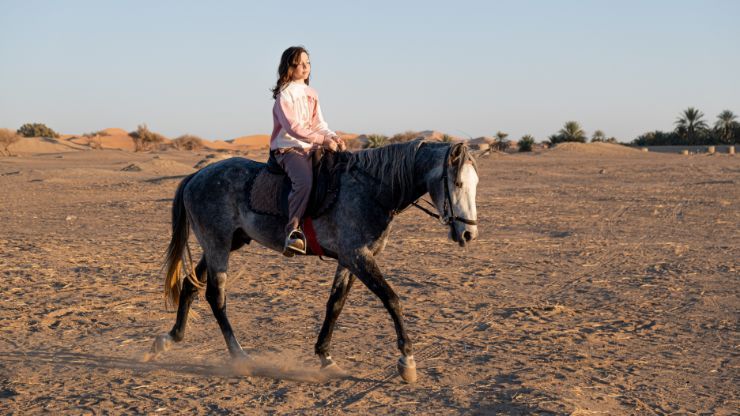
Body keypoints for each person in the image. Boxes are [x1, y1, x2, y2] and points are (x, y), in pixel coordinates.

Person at [270, 46, 346, 256]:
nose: (305, 67)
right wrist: (322, 140)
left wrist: (332, 137)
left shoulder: (312, 93)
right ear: (289, 67)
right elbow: (293, 128)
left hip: (311, 147)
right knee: (304, 181)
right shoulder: (285, 95)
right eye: (299, 64)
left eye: (308, 63)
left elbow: (319, 123)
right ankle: (292, 232)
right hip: (289, 149)